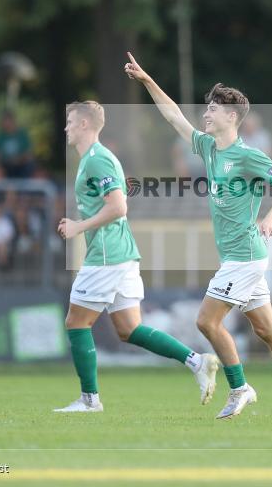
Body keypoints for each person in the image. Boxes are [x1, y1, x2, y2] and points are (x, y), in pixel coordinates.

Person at [125, 52, 272, 420]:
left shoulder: (248, 156)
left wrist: (271, 217)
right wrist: (147, 80)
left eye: (213, 109)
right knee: (267, 330)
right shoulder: (207, 148)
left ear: (231, 117)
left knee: (207, 321)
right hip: (237, 256)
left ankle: (240, 387)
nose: (206, 114)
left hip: (245, 256)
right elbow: (173, 116)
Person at [53, 101, 219, 413]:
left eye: (71, 122)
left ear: (85, 125)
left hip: (108, 255)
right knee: (129, 329)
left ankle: (90, 400)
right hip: (122, 254)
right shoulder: (94, 159)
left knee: (76, 322)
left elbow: (118, 206)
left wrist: (79, 226)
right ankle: (197, 362)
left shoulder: (97, 160)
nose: (66, 128)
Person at [0, 110, 34, 178]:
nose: (5, 123)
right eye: (3, 121)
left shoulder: (22, 134)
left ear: (12, 120)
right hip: (5, 165)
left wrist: (18, 160)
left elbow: (28, 154)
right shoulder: (0, 136)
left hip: (22, 165)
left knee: (30, 166)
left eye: (7, 120)